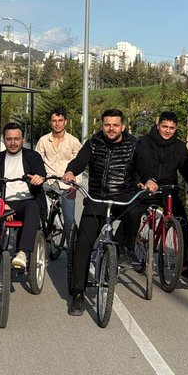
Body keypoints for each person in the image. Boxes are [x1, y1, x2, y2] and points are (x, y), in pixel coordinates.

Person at [63, 109, 139, 316]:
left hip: (123, 196)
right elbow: (80, 161)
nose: (111, 128)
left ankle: (125, 249)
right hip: (97, 198)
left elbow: (145, 166)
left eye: (115, 125)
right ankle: (77, 294)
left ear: (122, 126)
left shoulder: (134, 145)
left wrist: (147, 179)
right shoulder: (94, 142)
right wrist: (70, 171)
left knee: (135, 213)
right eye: (107, 125)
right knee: (83, 244)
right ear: (102, 125)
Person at [128, 111, 188, 278]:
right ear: (158, 125)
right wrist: (139, 182)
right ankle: (123, 250)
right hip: (145, 188)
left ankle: (186, 266)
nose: (167, 131)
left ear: (176, 129)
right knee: (131, 214)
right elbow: (135, 165)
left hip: (168, 190)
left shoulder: (180, 147)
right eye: (165, 127)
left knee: (182, 222)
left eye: (172, 128)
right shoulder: (144, 142)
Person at [0, 122, 46, 270]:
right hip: (2, 201)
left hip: (25, 202)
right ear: (3, 139)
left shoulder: (33, 156)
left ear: (23, 139)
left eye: (17, 139)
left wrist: (39, 178)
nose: (13, 143)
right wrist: (1, 205)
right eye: (9, 139)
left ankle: (22, 252)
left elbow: (40, 173)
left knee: (33, 206)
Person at [35, 106, 83, 237]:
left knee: (69, 220)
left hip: (66, 184)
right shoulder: (44, 140)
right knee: (36, 211)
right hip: (47, 182)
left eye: (60, 120)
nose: (57, 124)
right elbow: (36, 161)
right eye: (54, 120)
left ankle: (71, 251)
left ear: (65, 121)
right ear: (50, 122)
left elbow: (80, 164)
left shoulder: (73, 141)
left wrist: (75, 184)